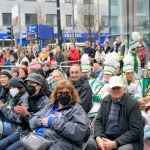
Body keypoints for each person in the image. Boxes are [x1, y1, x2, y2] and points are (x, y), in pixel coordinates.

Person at [85, 76, 144, 150]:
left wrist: (115, 143)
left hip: (127, 142)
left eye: (118, 88)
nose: (116, 90)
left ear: (124, 89)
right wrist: (98, 138)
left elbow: (135, 131)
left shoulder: (133, 104)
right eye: (113, 88)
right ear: (109, 89)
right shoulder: (105, 101)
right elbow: (98, 121)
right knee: (87, 144)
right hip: (106, 138)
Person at [27, 80, 89, 150]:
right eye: (60, 92)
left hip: (57, 144)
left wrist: (52, 122)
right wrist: (41, 121)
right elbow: (32, 120)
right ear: (56, 94)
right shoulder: (50, 106)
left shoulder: (77, 109)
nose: (63, 95)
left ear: (72, 94)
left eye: (67, 93)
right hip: (37, 140)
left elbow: (80, 132)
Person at [0, 73, 50, 150]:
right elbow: (19, 120)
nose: (28, 86)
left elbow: (39, 123)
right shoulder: (28, 98)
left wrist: (25, 114)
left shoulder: (46, 102)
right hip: (22, 130)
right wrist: (21, 114)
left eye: (31, 84)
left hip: (34, 134)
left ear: (39, 86)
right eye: (27, 84)